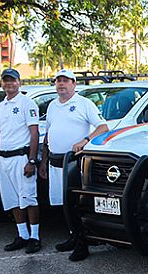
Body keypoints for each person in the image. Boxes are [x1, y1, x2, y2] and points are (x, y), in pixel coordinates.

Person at [39, 69, 109, 261]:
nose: (61, 84)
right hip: (54, 160)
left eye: (65, 81)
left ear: (74, 84)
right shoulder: (53, 106)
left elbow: (103, 127)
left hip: (73, 162)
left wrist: (86, 140)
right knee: (61, 203)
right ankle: (72, 236)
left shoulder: (83, 104)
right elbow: (48, 134)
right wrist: (44, 160)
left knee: (74, 204)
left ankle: (82, 244)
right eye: (58, 81)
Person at [0, 68, 42, 253]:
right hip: (3, 158)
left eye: (12, 80)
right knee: (12, 199)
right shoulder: (1, 106)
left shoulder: (27, 103)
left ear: (19, 82)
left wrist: (32, 161)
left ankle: (35, 236)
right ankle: (22, 235)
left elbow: (34, 133)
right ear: (1, 83)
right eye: (6, 80)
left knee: (28, 197)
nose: (9, 84)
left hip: (21, 157)